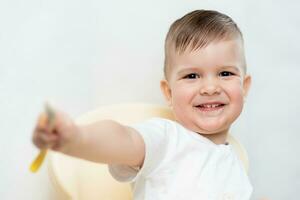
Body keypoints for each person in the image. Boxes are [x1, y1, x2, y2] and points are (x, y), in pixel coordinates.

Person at [32, 9, 252, 199]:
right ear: (169, 92)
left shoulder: (236, 164)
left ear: (244, 86)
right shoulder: (167, 139)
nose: (210, 87)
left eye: (225, 73)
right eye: (192, 76)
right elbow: (124, 138)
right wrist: (76, 138)